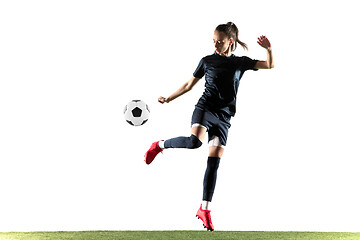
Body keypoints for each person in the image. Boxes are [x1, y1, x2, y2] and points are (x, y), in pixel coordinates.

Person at [144, 22, 274, 231]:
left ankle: (204, 209)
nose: (215, 44)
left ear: (230, 42)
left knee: (214, 162)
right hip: (205, 108)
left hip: (224, 117)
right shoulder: (207, 61)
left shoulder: (240, 62)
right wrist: (168, 98)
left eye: (220, 42)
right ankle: (159, 145)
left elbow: (269, 65)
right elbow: (189, 85)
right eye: (213, 41)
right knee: (194, 142)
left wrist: (268, 49)